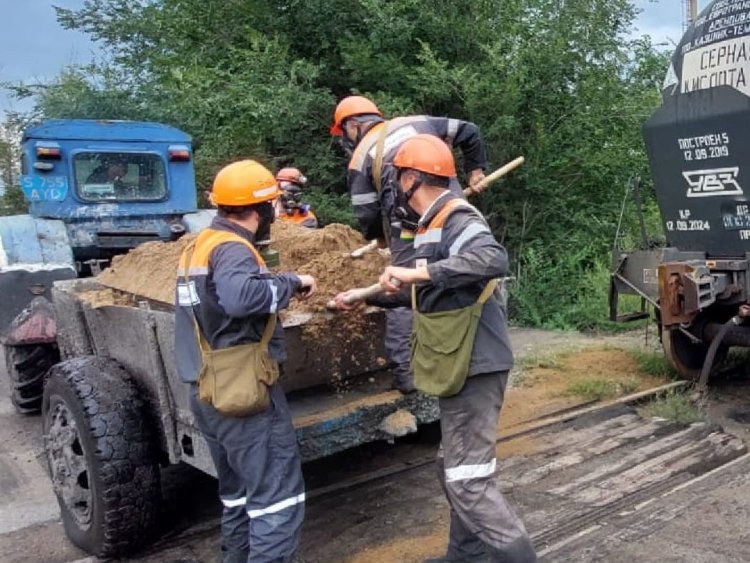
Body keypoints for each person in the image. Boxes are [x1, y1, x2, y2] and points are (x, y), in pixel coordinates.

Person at [335, 135, 536, 563]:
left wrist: (418, 274)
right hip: (460, 362)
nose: (392, 189)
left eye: (396, 178)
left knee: (467, 480)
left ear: (411, 177)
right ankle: (465, 556)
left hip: (475, 362)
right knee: (456, 470)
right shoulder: (428, 225)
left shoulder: (456, 216)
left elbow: (491, 259)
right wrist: (365, 294)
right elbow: (421, 289)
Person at [174, 159, 316, 563]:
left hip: (206, 389)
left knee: (239, 498)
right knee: (276, 502)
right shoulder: (234, 249)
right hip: (244, 395)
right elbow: (240, 299)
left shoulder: (196, 248)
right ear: (264, 209)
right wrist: (292, 282)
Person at [330, 95, 489, 393]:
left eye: (345, 133)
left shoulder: (361, 155)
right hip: (448, 210)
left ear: (353, 126)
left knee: (402, 284)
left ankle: (406, 371)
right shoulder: (420, 122)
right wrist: (476, 171)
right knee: (455, 268)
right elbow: (470, 131)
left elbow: (366, 210)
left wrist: (379, 238)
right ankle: (465, 354)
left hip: (405, 223)